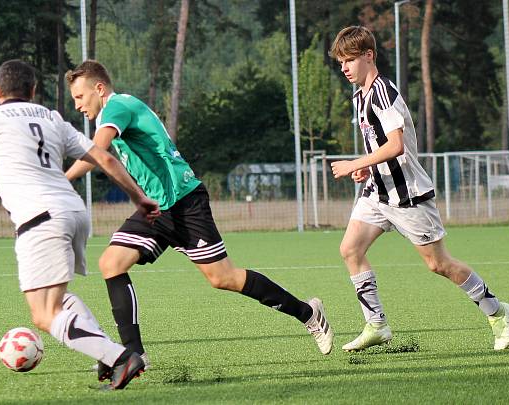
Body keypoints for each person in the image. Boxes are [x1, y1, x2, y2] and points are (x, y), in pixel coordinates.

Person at [64, 60, 334, 380]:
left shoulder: (117, 107)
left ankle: (308, 313)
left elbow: (99, 152)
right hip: (156, 208)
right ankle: (133, 353)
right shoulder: (112, 111)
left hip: (185, 203)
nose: (78, 105)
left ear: (99, 88)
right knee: (111, 263)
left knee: (224, 278)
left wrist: (62, 179)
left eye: (80, 97)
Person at [0, 59, 160, 390]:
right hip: (75, 212)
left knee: (43, 314)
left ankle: (121, 357)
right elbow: (105, 158)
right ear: (33, 91)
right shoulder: (51, 117)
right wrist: (139, 198)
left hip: (40, 219)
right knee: (59, 301)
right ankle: (108, 355)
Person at [328, 26, 509, 351]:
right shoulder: (359, 95)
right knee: (351, 250)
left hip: (408, 196)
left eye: (349, 59)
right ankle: (377, 325)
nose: (344, 67)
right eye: (340, 61)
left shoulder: (383, 91)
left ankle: (497, 312)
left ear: (369, 56)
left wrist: (354, 163)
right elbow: (379, 144)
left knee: (438, 265)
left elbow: (397, 145)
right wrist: (368, 169)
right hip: (378, 192)